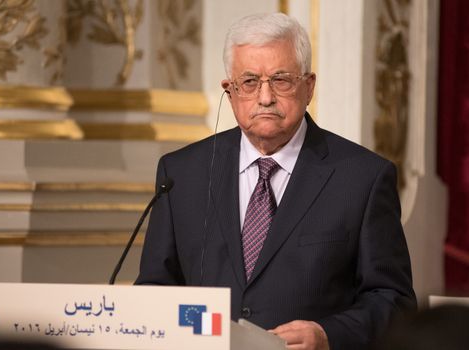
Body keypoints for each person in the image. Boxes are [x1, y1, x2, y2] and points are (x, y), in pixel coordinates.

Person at [135, 12, 416, 350]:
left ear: (308, 86)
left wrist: (329, 335)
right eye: (250, 82)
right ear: (230, 89)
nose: (265, 97)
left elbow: (393, 301)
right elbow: (155, 290)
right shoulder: (181, 173)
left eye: (281, 80)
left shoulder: (363, 178)